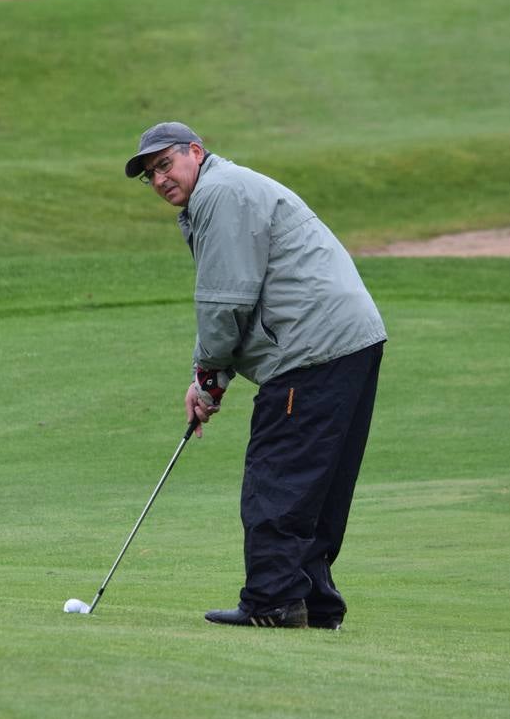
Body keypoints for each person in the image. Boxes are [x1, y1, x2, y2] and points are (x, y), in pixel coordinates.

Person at [124, 122, 387, 629]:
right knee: (318, 485)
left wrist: (206, 377)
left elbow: (226, 303)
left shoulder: (219, 194)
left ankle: (274, 601)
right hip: (349, 340)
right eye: (150, 175)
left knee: (280, 476)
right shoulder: (229, 188)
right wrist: (213, 379)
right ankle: (315, 605)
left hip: (311, 346)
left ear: (195, 153)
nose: (159, 180)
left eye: (165, 165)